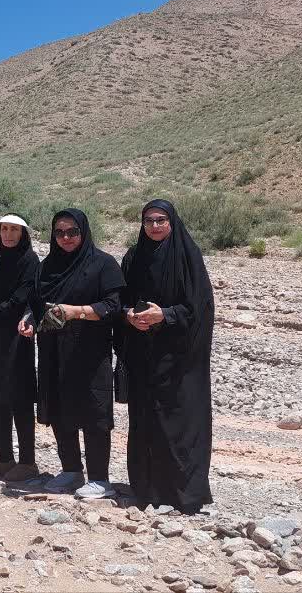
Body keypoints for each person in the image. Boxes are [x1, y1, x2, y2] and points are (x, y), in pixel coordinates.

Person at [118, 200, 214, 514]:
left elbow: (199, 308)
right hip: (143, 353)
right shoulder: (134, 257)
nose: (155, 226)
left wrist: (166, 315)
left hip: (180, 357)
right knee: (145, 418)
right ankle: (146, 488)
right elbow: (121, 298)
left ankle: (184, 493)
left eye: (161, 220)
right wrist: (129, 315)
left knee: (179, 420)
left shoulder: (188, 256)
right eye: (148, 221)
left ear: (172, 222)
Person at [21, 209, 125, 499]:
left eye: (72, 232)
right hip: (53, 348)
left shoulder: (103, 264)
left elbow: (113, 306)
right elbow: (36, 303)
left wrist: (76, 312)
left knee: (94, 411)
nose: (66, 238)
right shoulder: (47, 267)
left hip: (90, 351)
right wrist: (29, 320)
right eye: (60, 232)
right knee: (59, 406)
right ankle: (71, 470)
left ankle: (100, 478)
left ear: (84, 232)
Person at [0, 214, 40, 483]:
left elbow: (20, 299)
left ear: (23, 233)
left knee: (20, 399)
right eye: (4, 229)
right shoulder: (2, 262)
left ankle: (27, 462)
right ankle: (3, 457)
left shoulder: (30, 261)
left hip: (18, 336)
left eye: (14, 229)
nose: (8, 234)